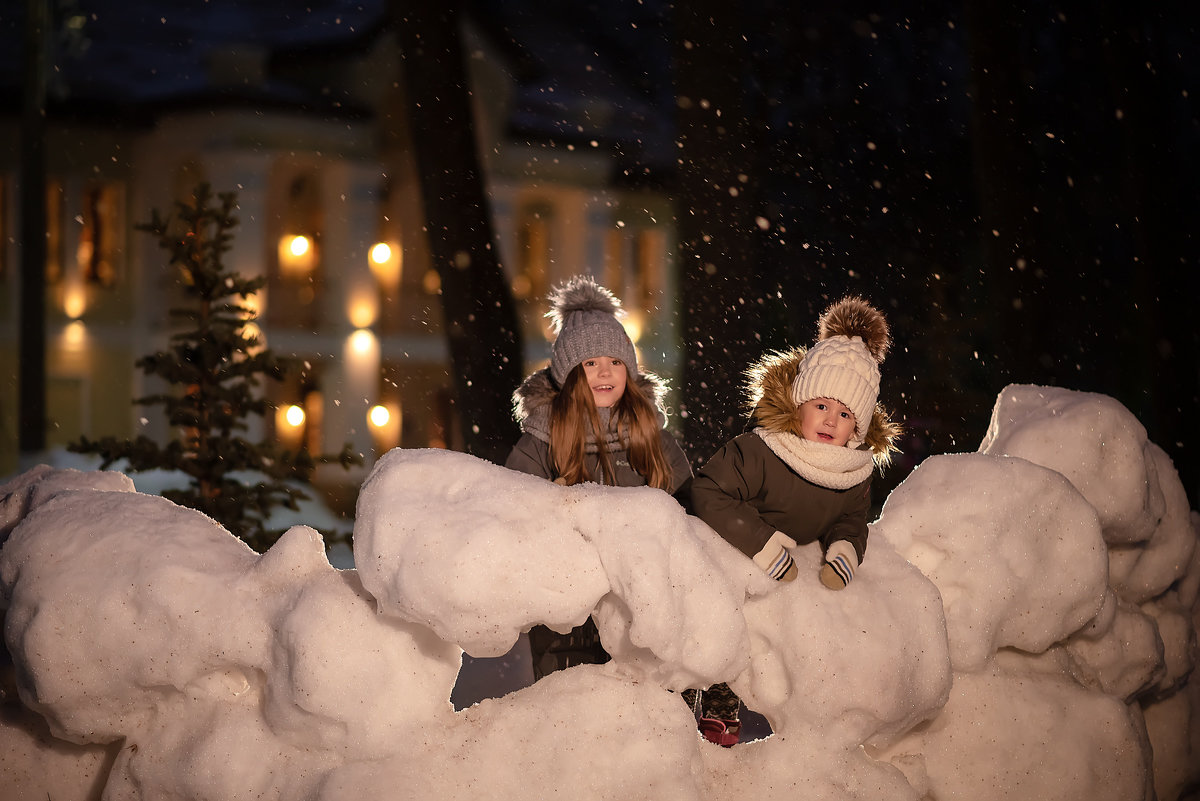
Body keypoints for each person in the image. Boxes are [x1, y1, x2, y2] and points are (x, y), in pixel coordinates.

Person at [687, 295, 903, 745]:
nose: (830, 421)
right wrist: (761, 543)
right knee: (712, 612)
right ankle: (700, 695)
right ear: (800, 404)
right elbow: (707, 491)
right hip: (713, 540)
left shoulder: (852, 475)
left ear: (858, 430)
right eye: (822, 406)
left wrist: (845, 550)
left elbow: (851, 521)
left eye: (846, 415)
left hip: (771, 562)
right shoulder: (761, 450)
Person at [506, 274, 693, 680]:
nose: (604, 372)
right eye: (590, 363)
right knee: (575, 707)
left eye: (615, 362)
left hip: (639, 606)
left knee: (644, 714)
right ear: (570, 374)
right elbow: (512, 509)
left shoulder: (651, 436)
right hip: (568, 610)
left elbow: (689, 508)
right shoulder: (542, 440)